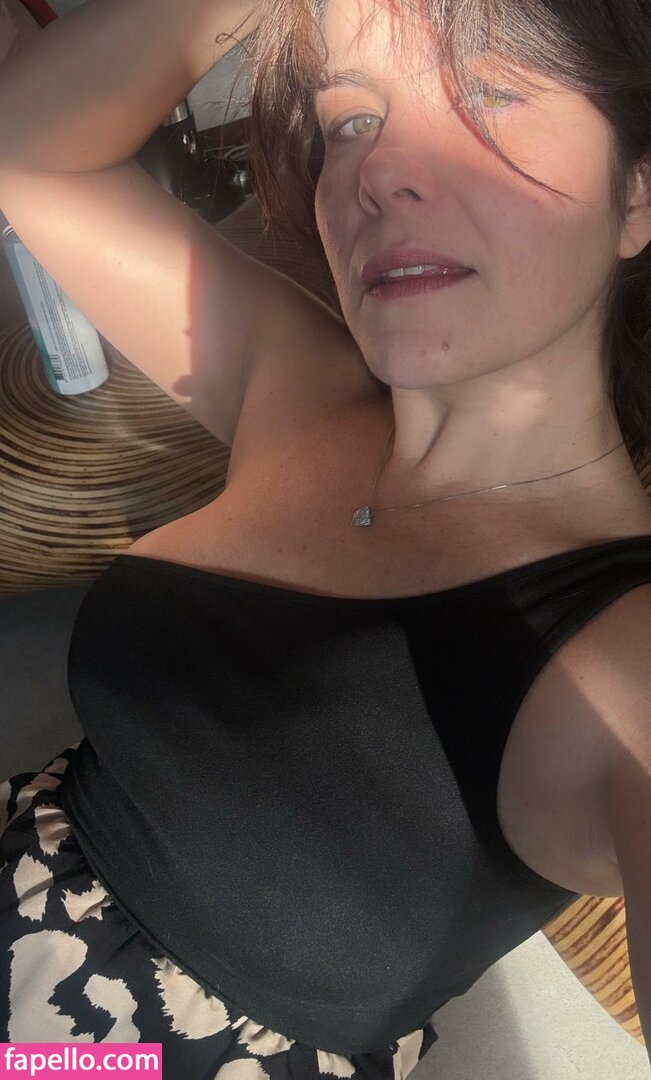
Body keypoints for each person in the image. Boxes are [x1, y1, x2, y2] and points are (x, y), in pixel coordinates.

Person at [0, 0, 650, 1074]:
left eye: (490, 95)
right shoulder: (303, 393)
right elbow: (30, 148)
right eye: (351, 118)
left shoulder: (622, 658)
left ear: (635, 195)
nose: (378, 172)